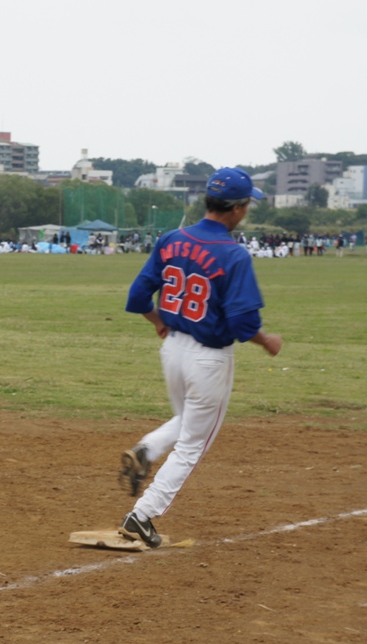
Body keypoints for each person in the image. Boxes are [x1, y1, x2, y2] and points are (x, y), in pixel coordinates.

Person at [116, 167, 283, 548]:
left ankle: (148, 449)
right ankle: (142, 515)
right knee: (193, 444)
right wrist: (266, 340)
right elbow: (242, 322)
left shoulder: (172, 239)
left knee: (187, 421)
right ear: (238, 209)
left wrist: (158, 320)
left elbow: (137, 298)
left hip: (172, 348)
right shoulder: (234, 254)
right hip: (208, 358)